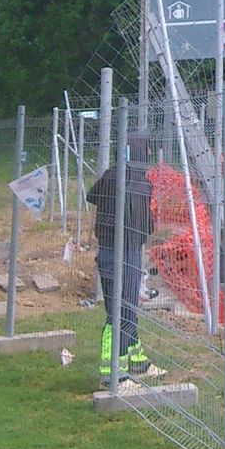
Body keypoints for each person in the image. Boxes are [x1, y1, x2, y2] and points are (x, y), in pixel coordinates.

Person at [88, 139, 155, 381]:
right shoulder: (139, 183)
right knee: (119, 312)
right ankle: (113, 372)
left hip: (109, 251)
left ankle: (136, 360)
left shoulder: (112, 175)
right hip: (125, 252)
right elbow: (147, 224)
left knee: (126, 308)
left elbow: (92, 196)